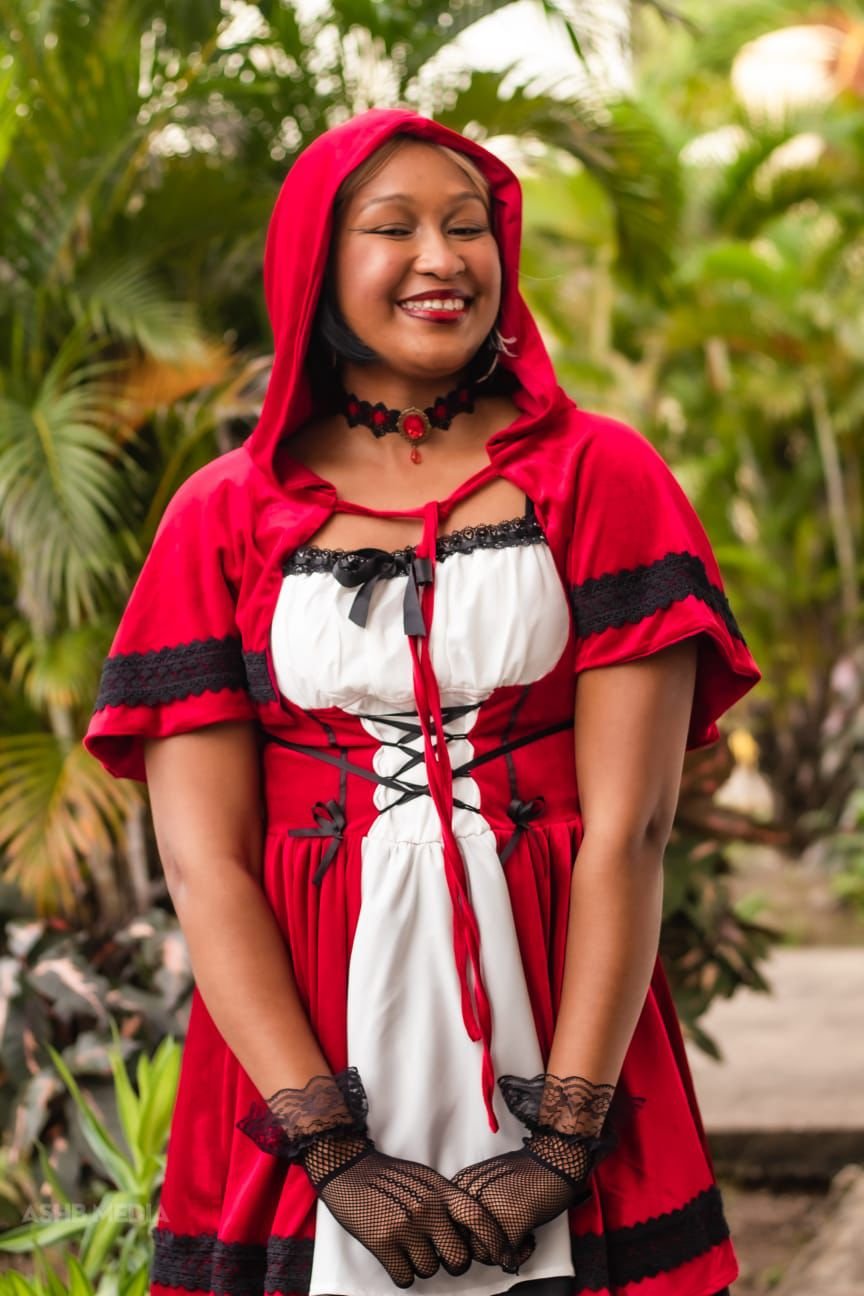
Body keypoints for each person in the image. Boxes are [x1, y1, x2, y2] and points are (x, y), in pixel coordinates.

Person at [85, 108, 760, 1296]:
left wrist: (564, 1137)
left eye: (470, 226)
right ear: (316, 265)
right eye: (390, 227)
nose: (443, 258)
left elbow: (632, 828)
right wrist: (330, 1147)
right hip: (308, 1033)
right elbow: (207, 864)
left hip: (563, 1010)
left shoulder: (601, 477)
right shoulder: (222, 515)